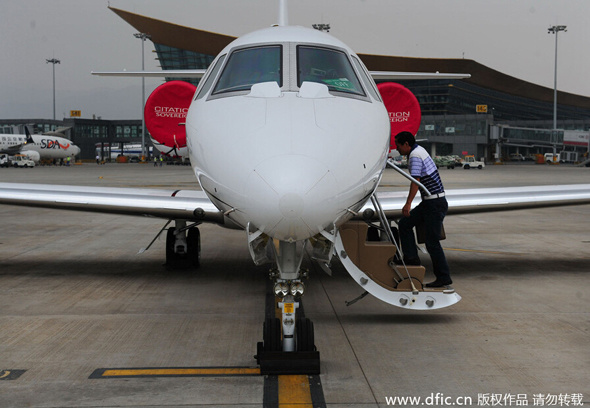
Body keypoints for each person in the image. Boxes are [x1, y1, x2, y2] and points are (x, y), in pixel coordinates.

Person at [394, 131, 452, 288]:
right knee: (405, 224)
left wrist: (408, 204)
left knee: (432, 242)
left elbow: (415, 182)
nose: (397, 148)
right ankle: (411, 257)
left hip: (434, 203)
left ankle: (444, 277)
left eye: (398, 145)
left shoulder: (415, 156)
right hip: (430, 202)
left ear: (406, 144)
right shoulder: (419, 149)